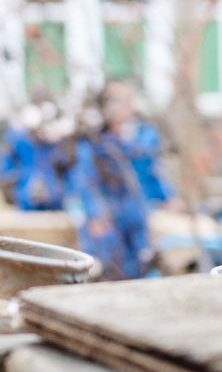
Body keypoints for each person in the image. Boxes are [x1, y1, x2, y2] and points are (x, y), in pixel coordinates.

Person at [66, 81, 172, 280]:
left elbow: (152, 171)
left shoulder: (141, 136)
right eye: (119, 101)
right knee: (110, 266)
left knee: (142, 262)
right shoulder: (92, 143)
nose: (127, 107)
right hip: (107, 216)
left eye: (127, 101)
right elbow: (85, 181)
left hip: (134, 212)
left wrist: (167, 197)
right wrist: (96, 214)